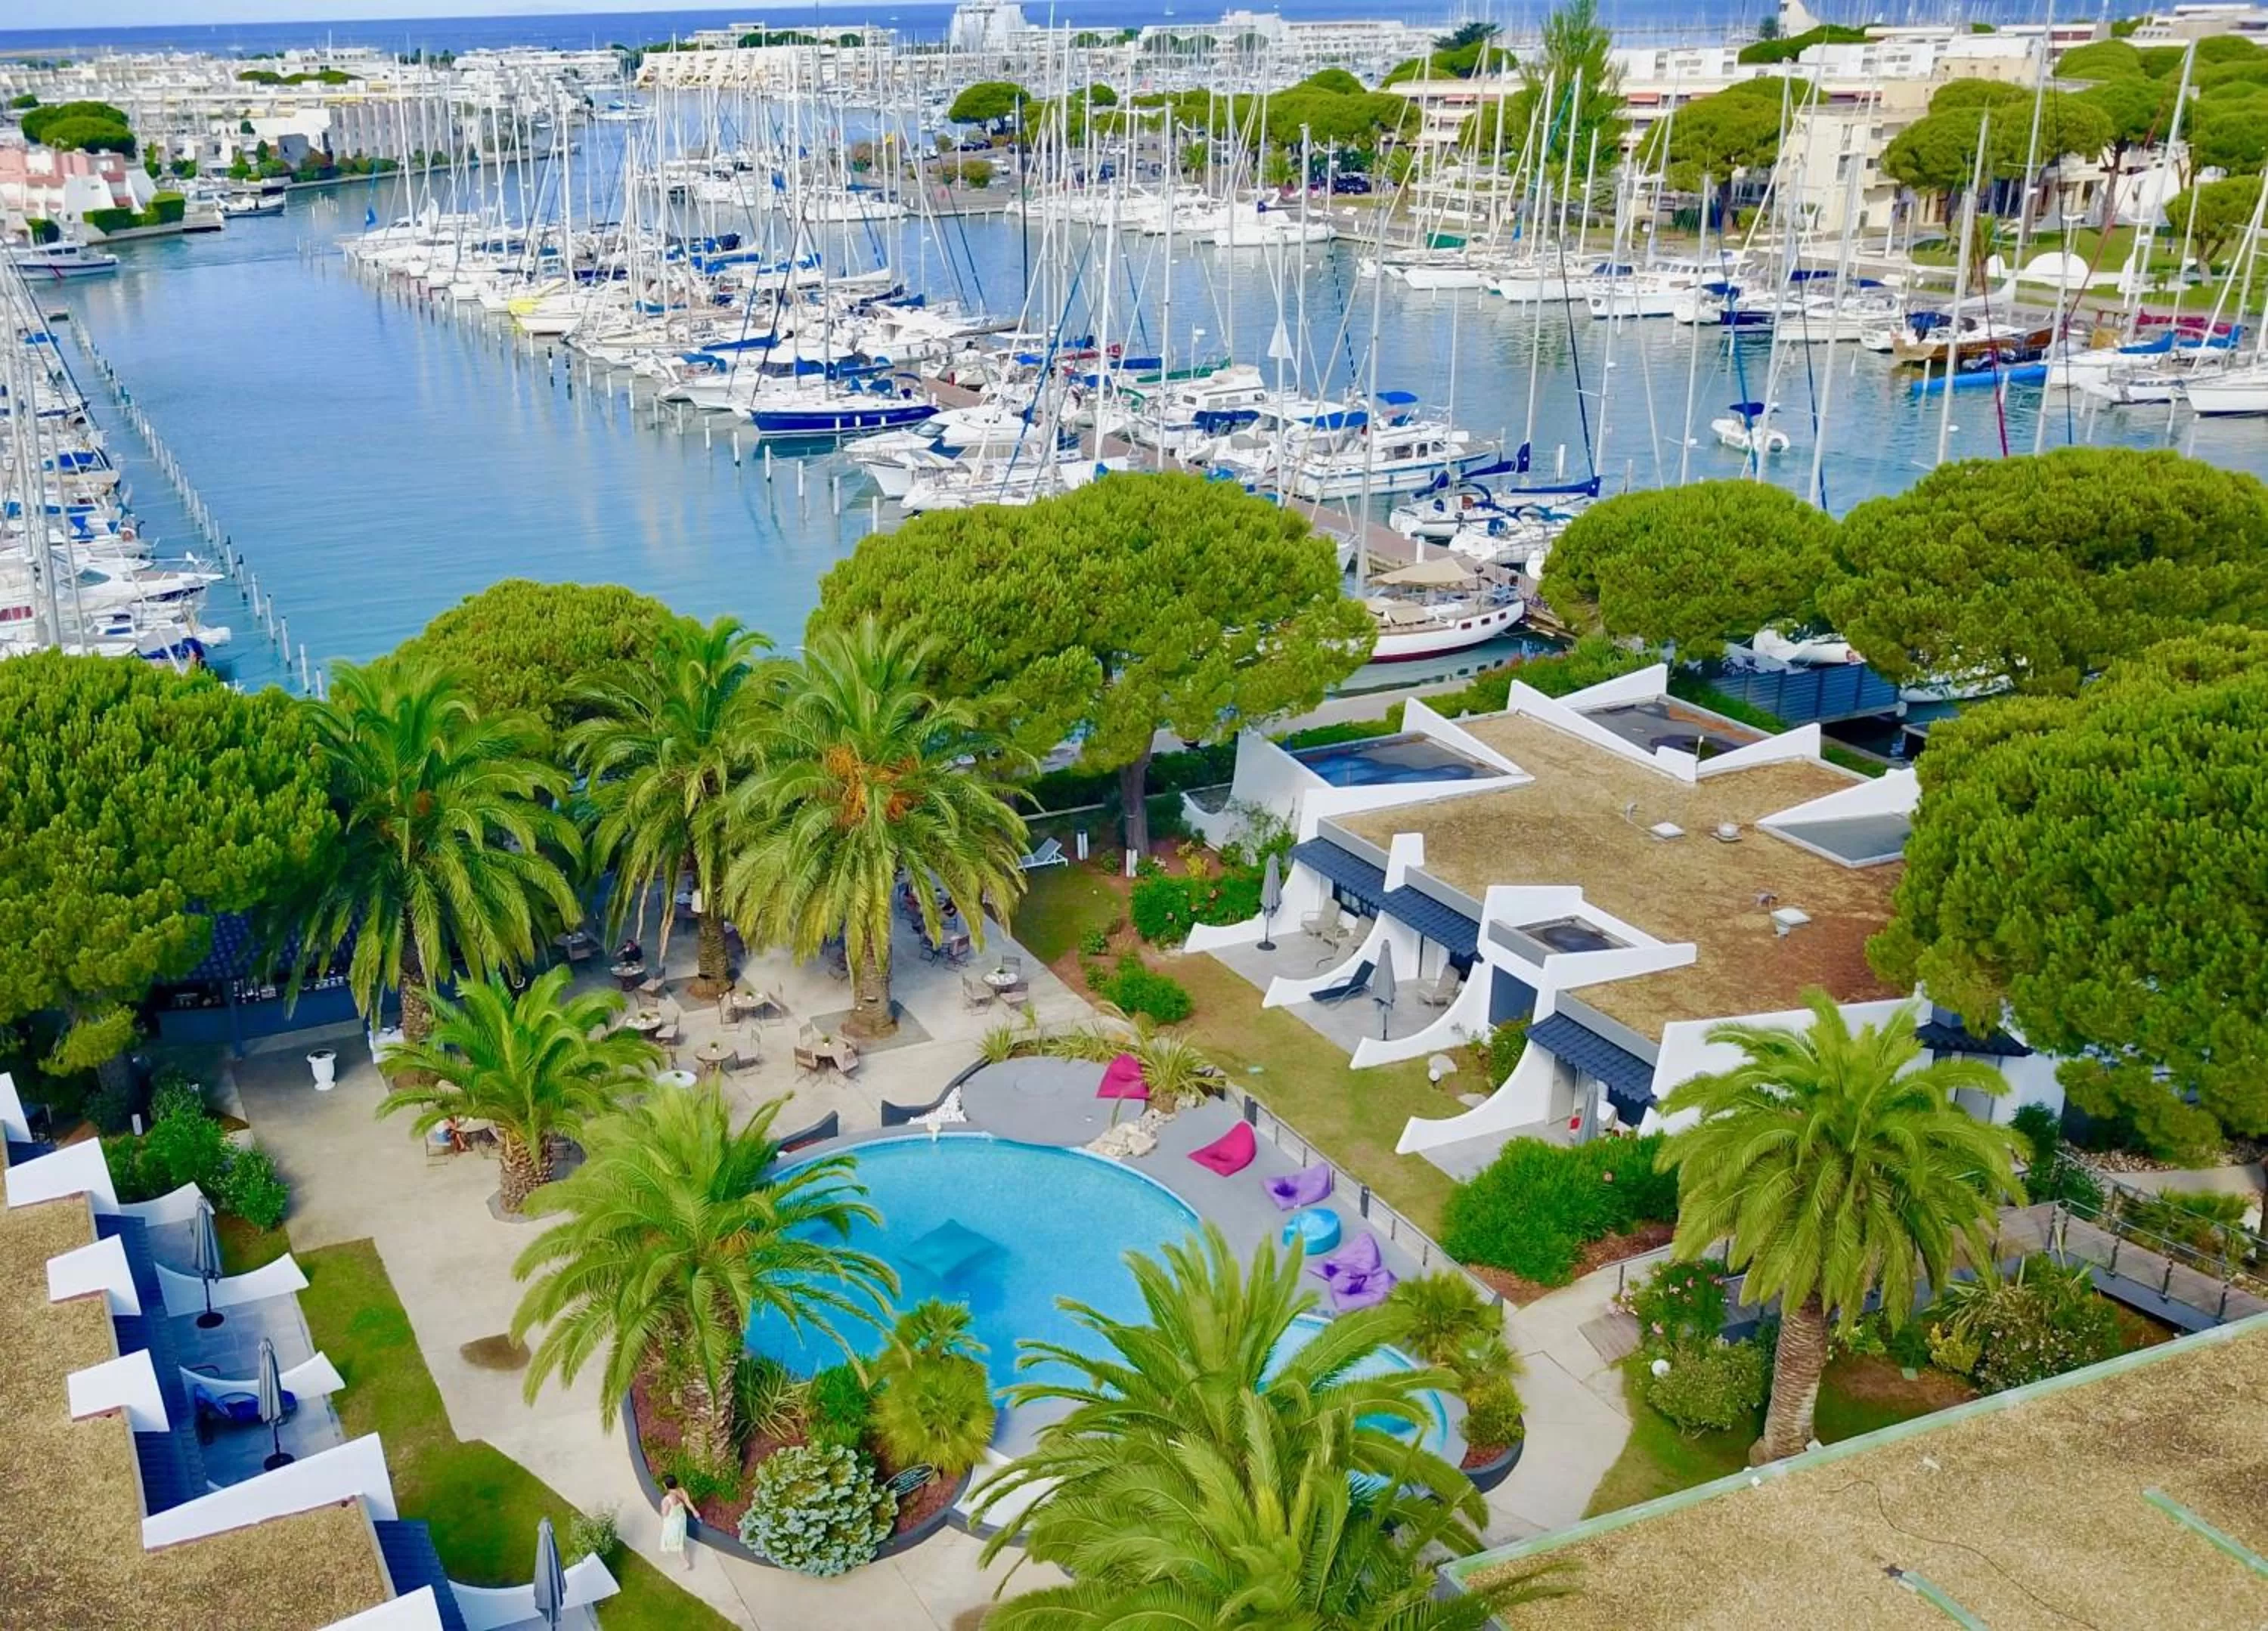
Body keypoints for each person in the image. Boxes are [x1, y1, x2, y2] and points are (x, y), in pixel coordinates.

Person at [658, 1475, 696, 1572]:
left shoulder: (667, 1500)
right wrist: (695, 1511)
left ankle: (685, 1563)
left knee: (678, 1543)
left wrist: (662, 1514)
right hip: (681, 1519)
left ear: (666, 1486)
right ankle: (683, 1546)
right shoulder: (681, 1491)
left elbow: (665, 1513)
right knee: (681, 1536)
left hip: (673, 1522)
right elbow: (687, 1502)